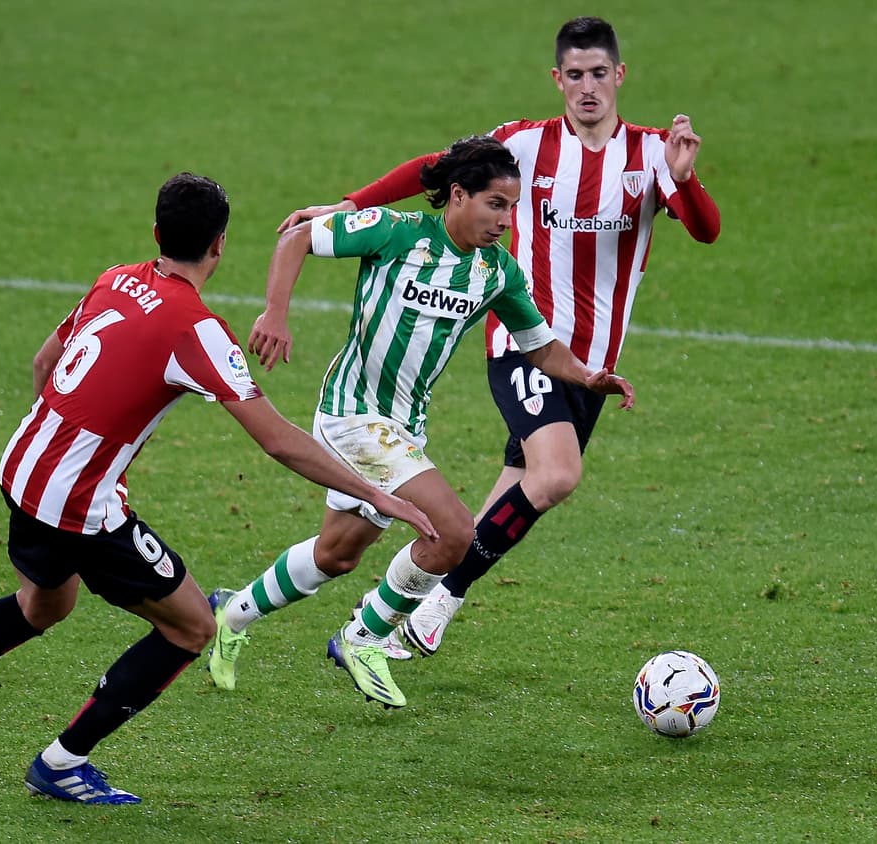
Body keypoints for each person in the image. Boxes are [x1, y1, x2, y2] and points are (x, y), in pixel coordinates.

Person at [0, 173, 436, 804]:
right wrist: (379, 495)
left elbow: (47, 362)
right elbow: (278, 439)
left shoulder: (113, 277)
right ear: (220, 245)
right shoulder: (198, 329)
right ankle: (62, 763)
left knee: (43, 606)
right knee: (190, 628)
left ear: (157, 234)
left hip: (23, 466)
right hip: (78, 507)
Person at [277, 16, 721, 657]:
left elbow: (705, 231)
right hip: (521, 343)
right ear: (557, 79)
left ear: (619, 75)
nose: (588, 87)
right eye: (575, 75)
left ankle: (421, 601)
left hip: (587, 363)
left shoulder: (653, 154)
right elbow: (433, 170)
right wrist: (348, 207)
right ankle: (436, 598)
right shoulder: (521, 145)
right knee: (559, 475)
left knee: (520, 485)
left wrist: (683, 179)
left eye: (600, 74)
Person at [205, 136, 634, 709]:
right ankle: (363, 639)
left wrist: (586, 377)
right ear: (457, 196)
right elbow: (298, 236)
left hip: (404, 426)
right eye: (495, 205)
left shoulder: (496, 272)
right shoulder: (396, 232)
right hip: (354, 415)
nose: (507, 220)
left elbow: (539, 348)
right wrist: (275, 312)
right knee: (454, 532)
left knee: (337, 554)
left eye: (512, 207)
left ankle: (232, 614)